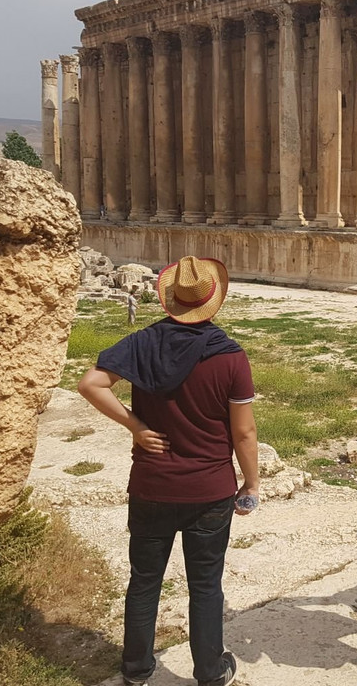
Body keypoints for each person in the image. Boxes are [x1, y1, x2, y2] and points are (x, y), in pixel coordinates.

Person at [78, 256, 257, 686]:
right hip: (210, 490)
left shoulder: (142, 344)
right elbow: (245, 433)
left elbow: (89, 384)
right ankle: (211, 673)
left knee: (144, 581)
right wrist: (250, 482)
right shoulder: (230, 357)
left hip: (152, 484)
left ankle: (136, 670)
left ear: (168, 300)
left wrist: (135, 426)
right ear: (214, 300)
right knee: (205, 585)